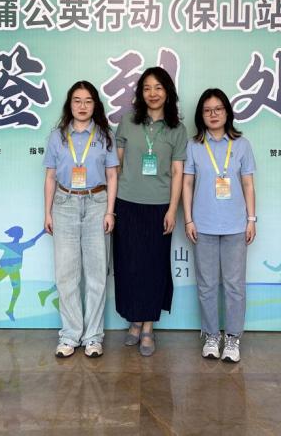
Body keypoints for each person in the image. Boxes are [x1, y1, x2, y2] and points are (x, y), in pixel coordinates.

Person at [112, 66, 188, 357]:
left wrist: (172, 210)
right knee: (129, 265)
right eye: (146, 88)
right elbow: (116, 165)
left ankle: (147, 327)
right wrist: (111, 205)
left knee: (153, 267)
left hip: (159, 207)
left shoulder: (177, 129)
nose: (152, 93)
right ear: (140, 93)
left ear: (167, 92)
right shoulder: (128, 122)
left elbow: (178, 172)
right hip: (127, 203)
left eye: (158, 87)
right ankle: (133, 320)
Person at [43, 81, 118, 358]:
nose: (82, 106)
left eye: (88, 101)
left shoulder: (105, 136)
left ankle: (93, 337)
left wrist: (110, 211)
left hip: (97, 203)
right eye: (77, 100)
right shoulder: (57, 137)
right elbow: (50, 177)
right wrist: (47, 212)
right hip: (64, 204)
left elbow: (112, 176)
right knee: (66, 274)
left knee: (97, 274)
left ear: (95, 105)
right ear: (69, 104)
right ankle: (70, 335)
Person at [182, 88, 257, 363]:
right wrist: (188, 219)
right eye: (207, 110)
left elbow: (248, 184)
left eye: (218, 109)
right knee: (207, 285)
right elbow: (187, 183)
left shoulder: (242, 145)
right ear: (200, 115)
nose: (213, 114)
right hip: (203, 225)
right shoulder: (193, 146)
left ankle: (233, 338)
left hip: (236, 225)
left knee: (234, 285)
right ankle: (212, 336)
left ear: (227, 112)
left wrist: (251, 219)